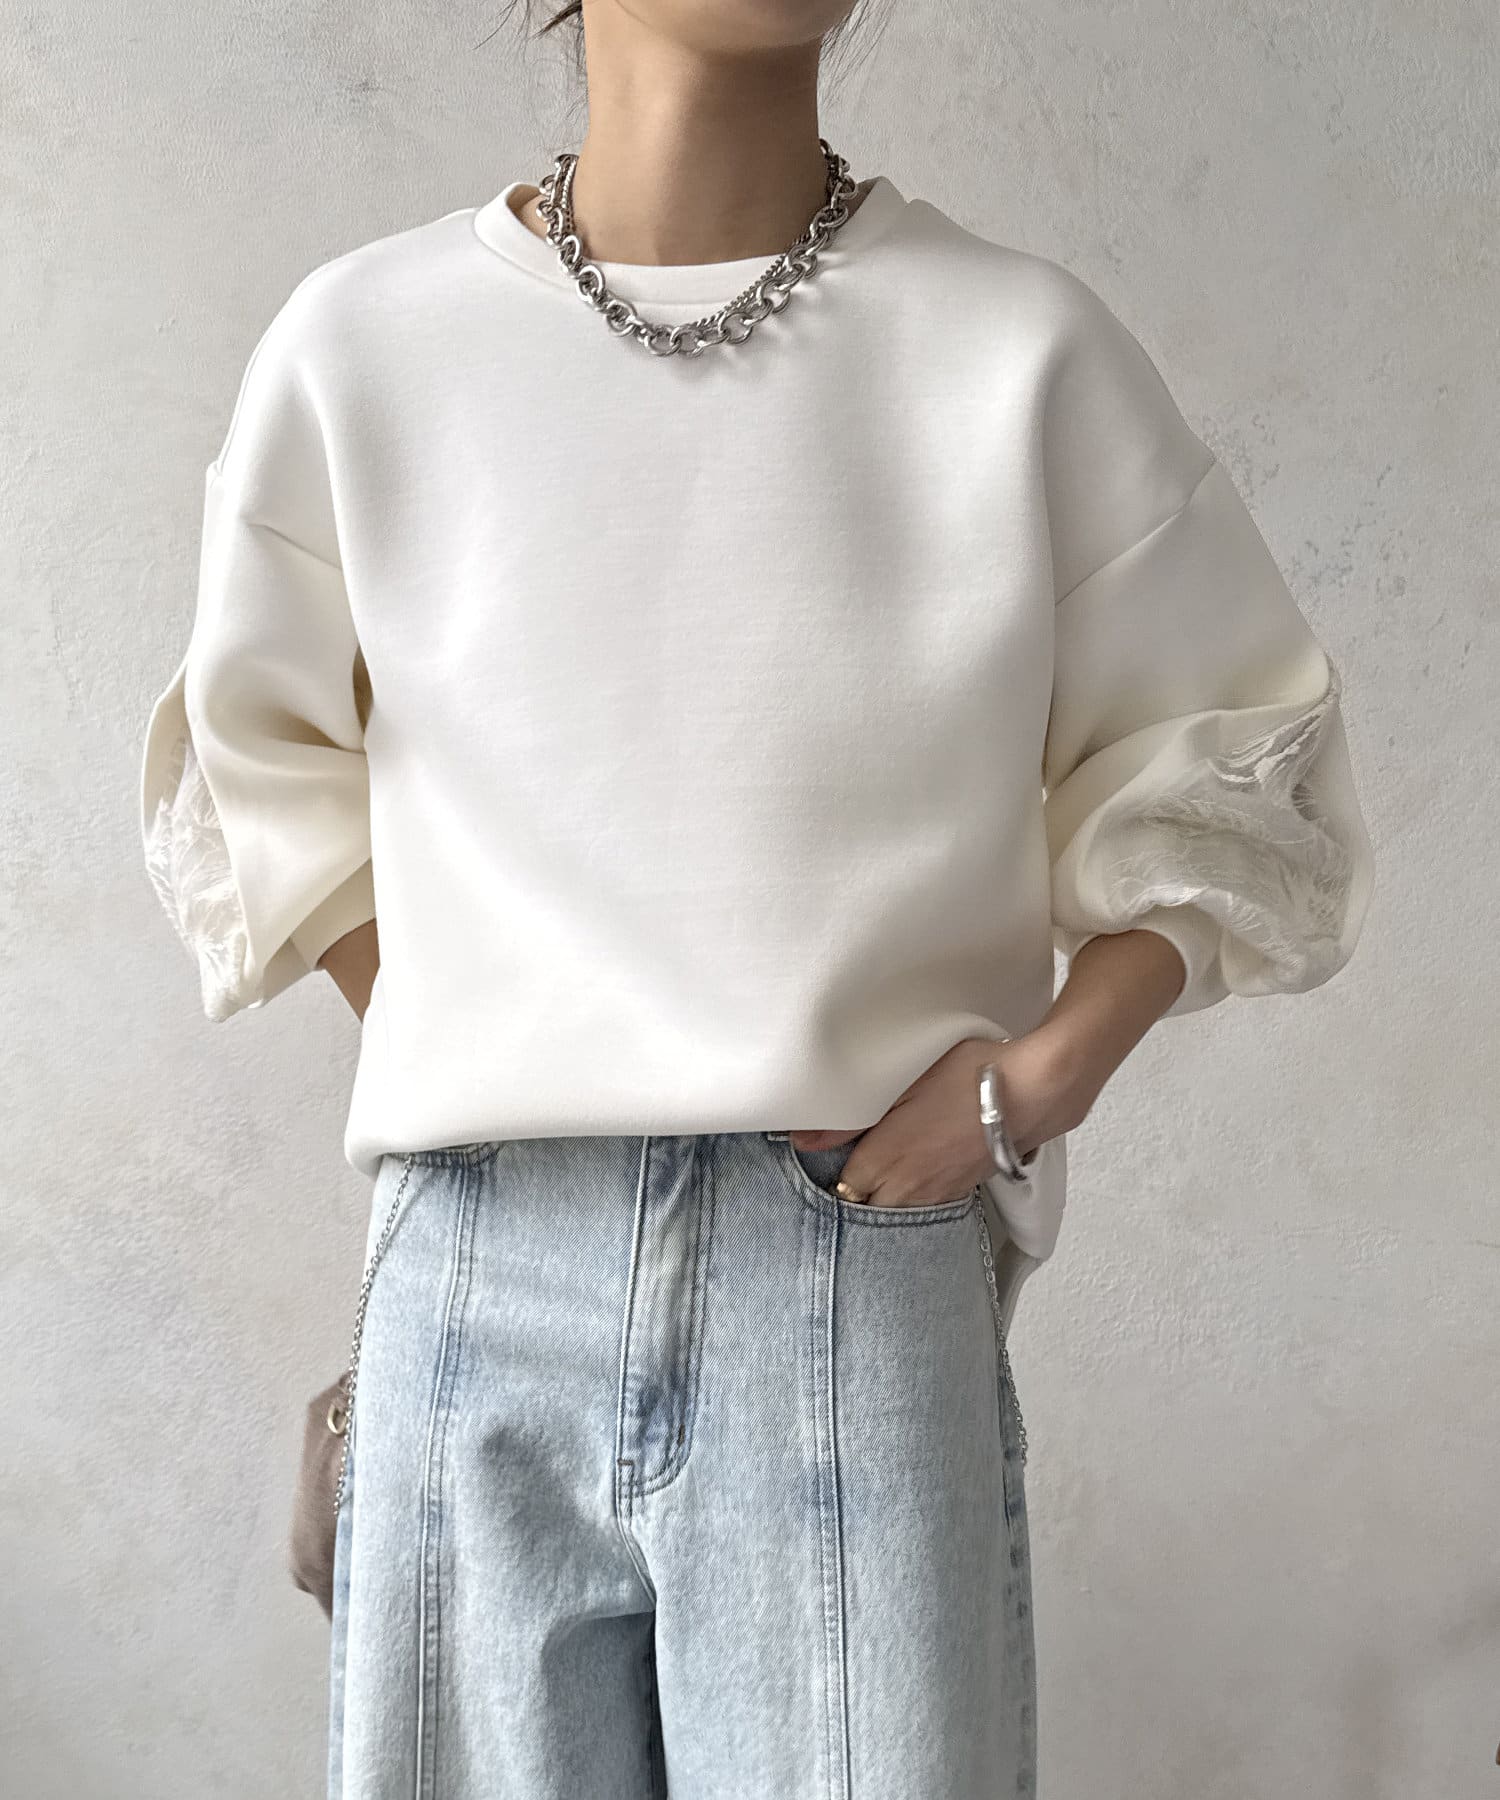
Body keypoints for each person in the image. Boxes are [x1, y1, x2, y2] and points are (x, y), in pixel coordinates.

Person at [136, 2, 1376, 1794]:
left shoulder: (1013, 351)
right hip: (478, 1273)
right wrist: (476, 1024)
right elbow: (257, 762)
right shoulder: (363, 347)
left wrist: (1025, 1088)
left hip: (848, 1272)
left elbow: (1245, 771)